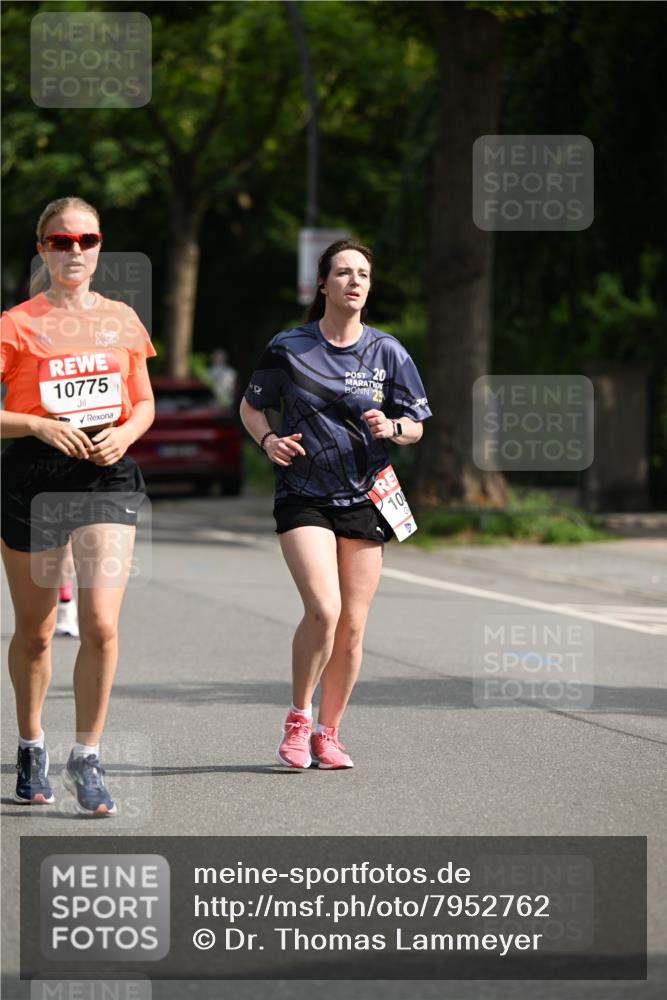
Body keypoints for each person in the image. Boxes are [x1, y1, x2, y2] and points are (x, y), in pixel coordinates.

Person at [240, 239, 431, 770]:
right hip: (303, 492)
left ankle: (329, 732)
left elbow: (415, 424)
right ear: (322, 284)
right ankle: (298, 719)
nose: (354, 281)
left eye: (363, 274)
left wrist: (393, 426)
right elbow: (251, 407)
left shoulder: (388, 351)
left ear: (369, 287)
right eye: (343, 272)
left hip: (367, 494)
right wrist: (268, 440)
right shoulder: (290, 347)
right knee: (324, 610)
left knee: (352, 624)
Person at [1, 196, 156, 814]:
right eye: (60, 241)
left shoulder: (121, 319)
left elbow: (142, 402)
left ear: (99, 247)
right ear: (42, 250)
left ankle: (86, 758)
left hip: (105, 475)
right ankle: (31, 743)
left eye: (85, 240)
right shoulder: (15, 323)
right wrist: (35, 427)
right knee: (37, 633)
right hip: (34, 479)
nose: (74, 251)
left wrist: (126, 433)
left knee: (99, 623)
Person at [207, 348, 237, 412]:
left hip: (221, 403)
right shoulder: (231, 372)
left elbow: (234, 388)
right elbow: (235, 389)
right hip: (222, 403)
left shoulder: (208, 372)